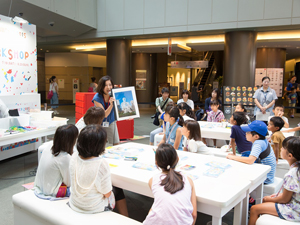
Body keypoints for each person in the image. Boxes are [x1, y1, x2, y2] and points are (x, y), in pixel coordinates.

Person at [69, 125, 128, 216]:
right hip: (93, 208)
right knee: (118, 189)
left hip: (75, 203)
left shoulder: (74, 157)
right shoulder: (101, 164)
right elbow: (107, 193)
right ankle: (125, 218)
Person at [249, 136, 300, 224]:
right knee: (265, 200)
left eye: (283, 148)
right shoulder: (297, 168)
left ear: (290, 155)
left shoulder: (292, 174)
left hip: (295, 210)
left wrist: (270, 198)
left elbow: (285, 199)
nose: (281, 148)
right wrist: (276, 196)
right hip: (296, 203)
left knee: (254, 209)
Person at [143, 143, 197, 225]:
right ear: (177, 159)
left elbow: (161, 202)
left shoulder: (152, 180)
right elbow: (194, 214)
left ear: (156, 163)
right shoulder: (188, 180)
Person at [34, 124, 78, 198]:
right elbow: (69, 183)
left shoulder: (50, 146)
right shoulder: (64, 157)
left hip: (40, 186)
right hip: (52, 192)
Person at [227, 120, 276, 184]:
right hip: (267, 174)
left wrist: (232, 157)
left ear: (256, 136)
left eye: (247, 133)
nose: (245, 134)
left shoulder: (258, 144)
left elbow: (250, 160)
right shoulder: (262, 140)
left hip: (266, 178)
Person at [92, 75, 119, 145]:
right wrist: (111, 105)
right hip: (101, 123)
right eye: (105, 85)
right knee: (106, 145)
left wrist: (128, 115)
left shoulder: (113, 94)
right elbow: (104, 115)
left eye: (110, 85)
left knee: (116, 143)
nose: (108, 87)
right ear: (101, 87)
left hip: (112, 121)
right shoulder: (97, 98)